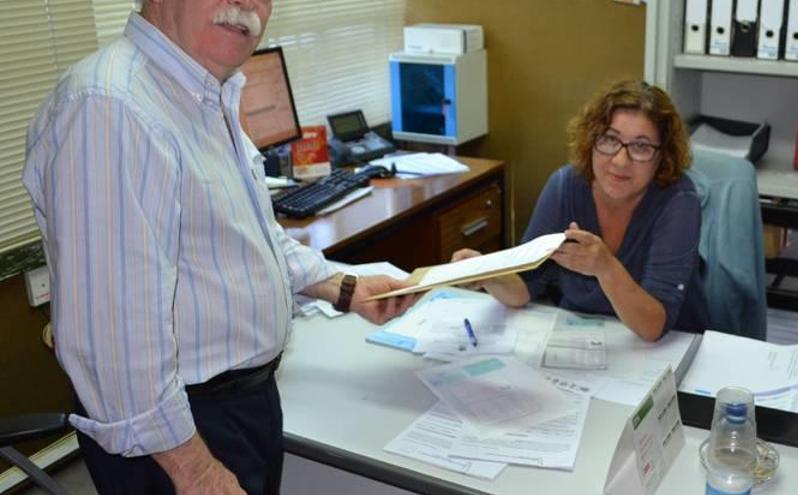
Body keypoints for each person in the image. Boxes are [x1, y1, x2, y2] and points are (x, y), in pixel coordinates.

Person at [22, 1, 415, 493]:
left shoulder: (204, 93)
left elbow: (245, 238)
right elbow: (114, 341)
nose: (244, 4)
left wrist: (343, 287)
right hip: (175, 438)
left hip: (237, 407)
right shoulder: (111, 107)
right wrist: (196, 470)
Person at [454, 80, 709, 342]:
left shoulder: (678, 201)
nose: (620, 161)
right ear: (592, 140)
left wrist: (606, 268)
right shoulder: (566, 186)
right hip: (584, 340)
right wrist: (487, 273)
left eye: (641, 146)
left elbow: (653, 326)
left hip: (669, 347)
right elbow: (525, 287)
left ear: (662, 156)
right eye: (610, 139)